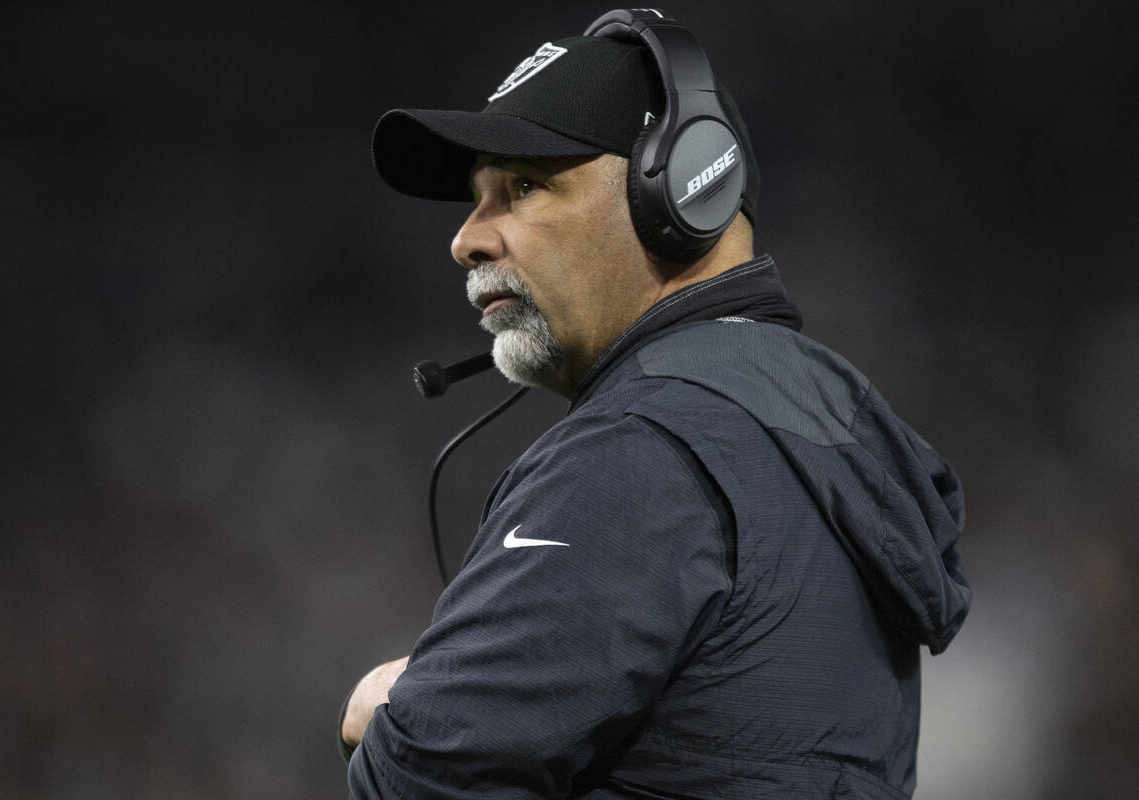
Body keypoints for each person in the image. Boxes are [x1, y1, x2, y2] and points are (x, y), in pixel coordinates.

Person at [341, 9, 970, 799]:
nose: (467, 238)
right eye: (477, 198)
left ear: (678, 191)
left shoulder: (639, 449)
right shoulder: (820, 426)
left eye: (525, 186)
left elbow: (427, 778)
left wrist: (379, 718)